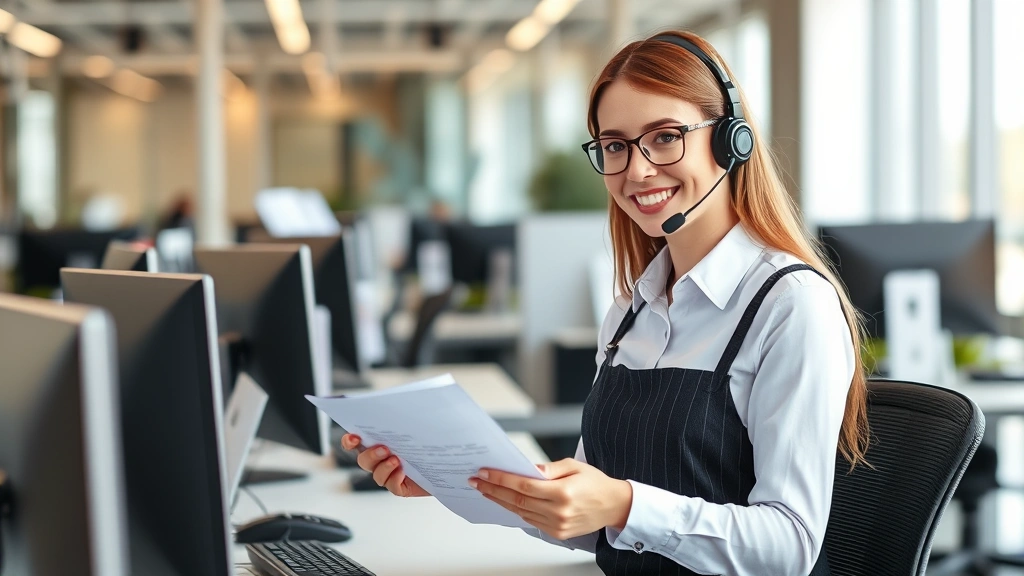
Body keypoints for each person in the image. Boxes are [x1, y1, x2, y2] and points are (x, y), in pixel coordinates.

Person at [341, 30, 869, 576]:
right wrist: (457, 479)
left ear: (729, 141)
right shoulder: (630, 310)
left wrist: (624, 504)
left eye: (664, 137)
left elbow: (790, 547)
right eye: (615, 145)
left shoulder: (791, 305)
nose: (636, 170)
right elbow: (593, 524)